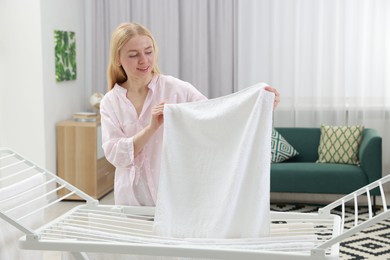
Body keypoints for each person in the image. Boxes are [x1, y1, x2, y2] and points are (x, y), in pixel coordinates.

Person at [100, 22, 280, 206]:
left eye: (148, 51)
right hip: (129, 202)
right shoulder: (110, 102)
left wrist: (258, 106)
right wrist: (151, 128)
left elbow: (215, 117)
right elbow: (116, 155)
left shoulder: (177, 90)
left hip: (173, 198)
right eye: (133, 55)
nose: (144, 60)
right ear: (118, 59)